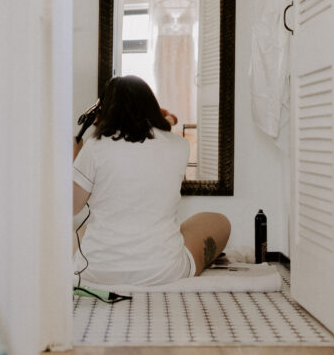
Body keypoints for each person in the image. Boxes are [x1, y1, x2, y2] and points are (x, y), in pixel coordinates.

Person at [73, 75, 231, 287]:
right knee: (218, 221)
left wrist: (74, 157)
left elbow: (72, 206)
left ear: (102, 111)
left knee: (85, 230)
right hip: (163, 271)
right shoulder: (179, 146)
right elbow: (158, 133)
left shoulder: (93, 147)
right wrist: (163, 118)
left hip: (97, 272)